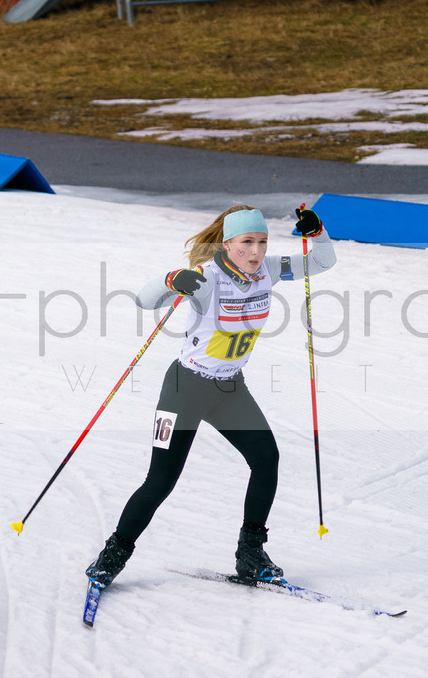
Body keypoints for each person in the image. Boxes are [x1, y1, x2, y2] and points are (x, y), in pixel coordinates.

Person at [85, 204, 337, 588]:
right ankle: (112, 556)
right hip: (185, 389)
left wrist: (317, 232)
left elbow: (321, 262)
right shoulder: (207, 277)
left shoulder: (270, 269)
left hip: (229, 388)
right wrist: (172, 279)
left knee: (266, 459)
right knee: (161, 480)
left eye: (262, 242)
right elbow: (145, 300)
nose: (255, 251)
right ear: (227, 243)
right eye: (246, 242)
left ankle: (250, 555)